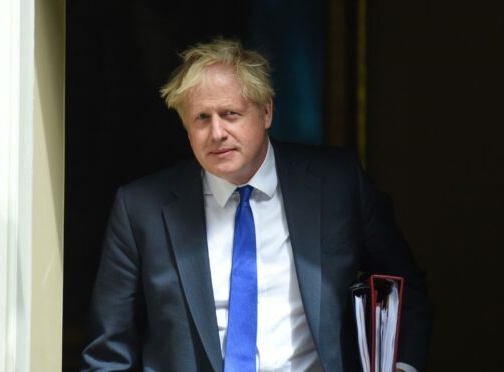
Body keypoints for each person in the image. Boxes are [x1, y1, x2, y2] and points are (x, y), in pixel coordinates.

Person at [81, 38, 433, 372]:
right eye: (201, 118)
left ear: (266, 112)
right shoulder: (141, 208)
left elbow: (404, 287)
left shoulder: (337, 185)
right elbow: (108, 352)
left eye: (230, 113)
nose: (216, 132)